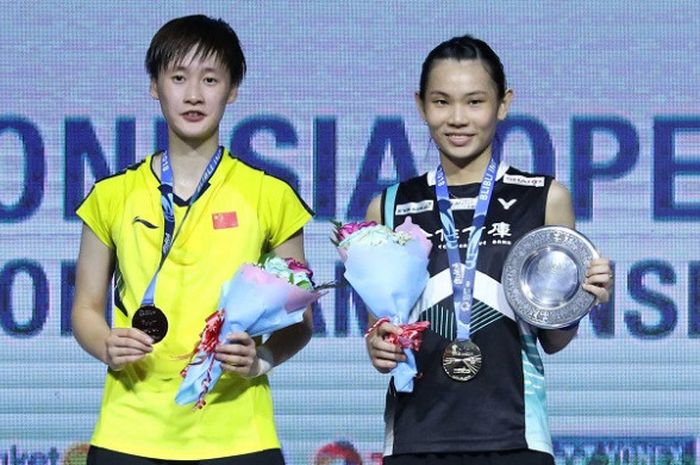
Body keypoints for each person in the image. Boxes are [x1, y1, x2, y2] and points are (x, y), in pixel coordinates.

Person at [71, 15, 313, 465]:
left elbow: (301, 318)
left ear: (233, 89)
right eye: (178, 77)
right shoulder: (111, 196)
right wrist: (105, 342)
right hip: (130, 432)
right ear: (155, 86)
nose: (194, 94)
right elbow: (85, 307)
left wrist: (261, 359)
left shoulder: (270, 196)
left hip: (239, 435)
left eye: (210, 79)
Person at [364, 35, 613, 465]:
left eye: (475, 102)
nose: (458, 118)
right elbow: (382, 330)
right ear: (421, 104)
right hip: (414, 439)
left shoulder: (544, 197)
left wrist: (580, 299)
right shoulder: (388, 206)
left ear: (503, 104)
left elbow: (554, 339)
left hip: (515, 437)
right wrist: (378, 345)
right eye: (442, 102)